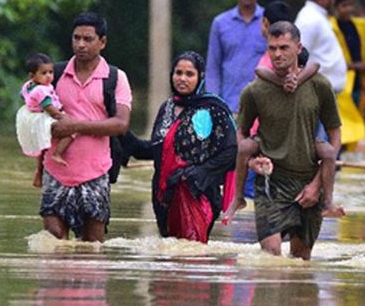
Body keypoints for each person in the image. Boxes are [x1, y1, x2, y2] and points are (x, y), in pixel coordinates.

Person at [226, 21, 346, 260]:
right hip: (271, 183)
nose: (278, 54)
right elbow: (242, 133)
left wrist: (316, 185)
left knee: (301, 260)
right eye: (272, 48)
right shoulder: (254, 91)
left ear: (298, 48)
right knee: (270, 257)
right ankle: (237, 199)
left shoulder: (319, 85)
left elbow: (335, 134)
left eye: (284, 47)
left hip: (307, 184)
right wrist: (251, 162)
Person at [124, 51, 237, 243]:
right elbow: (158, 149)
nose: (182, 79)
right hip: (164, 195)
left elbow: (231, 151)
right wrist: (124, 137)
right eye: (178, 73)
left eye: (189, 74)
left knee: (190, 256)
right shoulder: (167, 108)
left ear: (200, 77)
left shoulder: (213, 109)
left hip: (197, 193)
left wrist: (197, 173)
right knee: (170, 259)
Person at [40, 12, 132, 242]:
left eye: (88, 39)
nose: (80, 44)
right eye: (76, 38)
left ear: (102, 42)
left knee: (92, 247)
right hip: (55, 171)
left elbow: (121, 124)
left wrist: (75, 125)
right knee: (53, 241)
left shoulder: (115, 78)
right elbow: (33, 114)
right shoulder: (54, 75)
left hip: (95, 174)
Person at [206, 0, 267, 114]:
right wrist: (213, 102)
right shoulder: (220, 23)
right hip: (229, 105)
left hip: (264, 107)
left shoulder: (268, 22)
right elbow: (213, 67)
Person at [16, 53, 74, 188]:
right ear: (32, 75)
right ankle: (57, 154)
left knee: (43, 146)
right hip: (44, 116)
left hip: (30, 116)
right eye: (44, 73)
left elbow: (22, 95)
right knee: (73, 130)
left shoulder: (29, 85)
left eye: (51, 72)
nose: (49, 76)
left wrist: (31, 103)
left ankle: (39, 172)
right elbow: (48, 107)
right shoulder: (42, 91)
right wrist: (61, 116)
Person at [329, 0, 365, 152]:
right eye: (343, 5)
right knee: (340, 125)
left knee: (355, 123)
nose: (348, 9)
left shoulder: (363, 26)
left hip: (357, 84)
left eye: (350, 5)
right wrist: (359, 66)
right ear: (335, 7)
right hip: (337, 84)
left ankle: (347, 161)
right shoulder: (329, 27)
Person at [294, 0, 347, 96]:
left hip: (325, 93)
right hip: (316, 93)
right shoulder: (309, 19)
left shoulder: (318, 16)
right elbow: (298, 56)